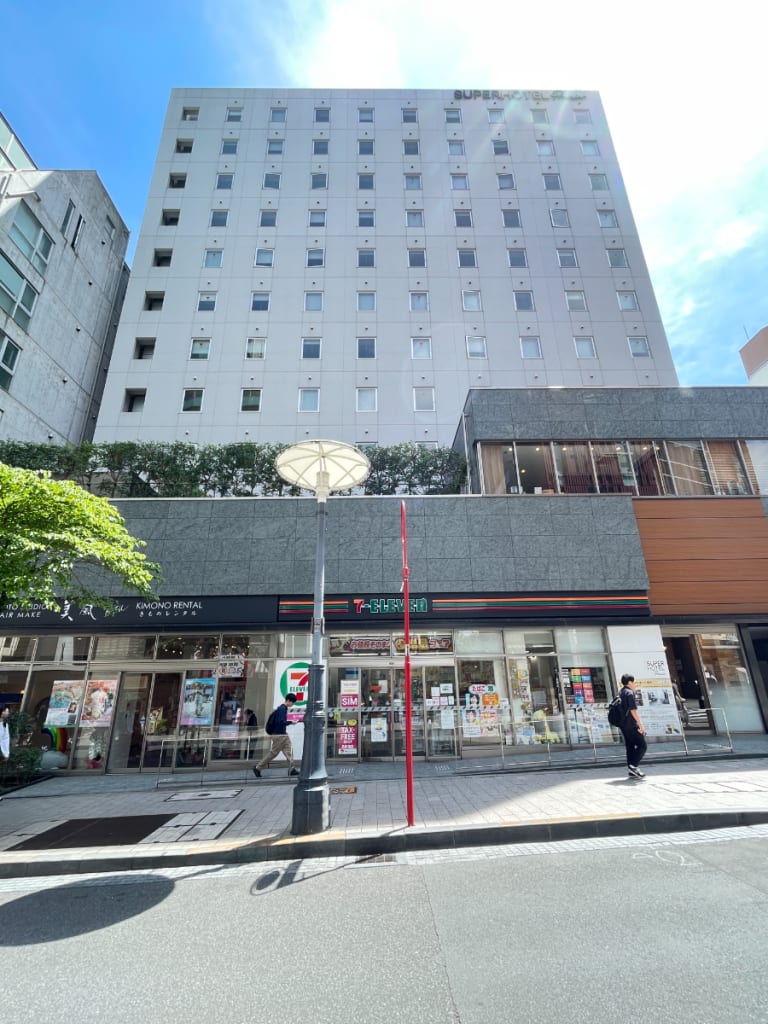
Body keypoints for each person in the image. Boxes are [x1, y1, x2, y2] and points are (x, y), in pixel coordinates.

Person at [252, 694, 299, 778]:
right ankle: (258, 767)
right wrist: (291, 722)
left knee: (288, 751)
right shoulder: (282, 709)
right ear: (288, 700)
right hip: (279, 735)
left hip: (282, 734)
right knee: (273, 753)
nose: (292, 704)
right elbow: (280, 722)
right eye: (292, 702)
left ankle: (292, 769)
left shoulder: (282, 708)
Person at [619, 674, 647, 779]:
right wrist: (641, 725)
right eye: (634, 682)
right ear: (630, 682)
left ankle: (632, 770)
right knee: (642, 745)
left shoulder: (621, 692)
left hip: (623, 725)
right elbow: (633, 710)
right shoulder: (629, 693)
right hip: (631, 725)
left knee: (630, 747)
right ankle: (633, 766)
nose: (635, 684)